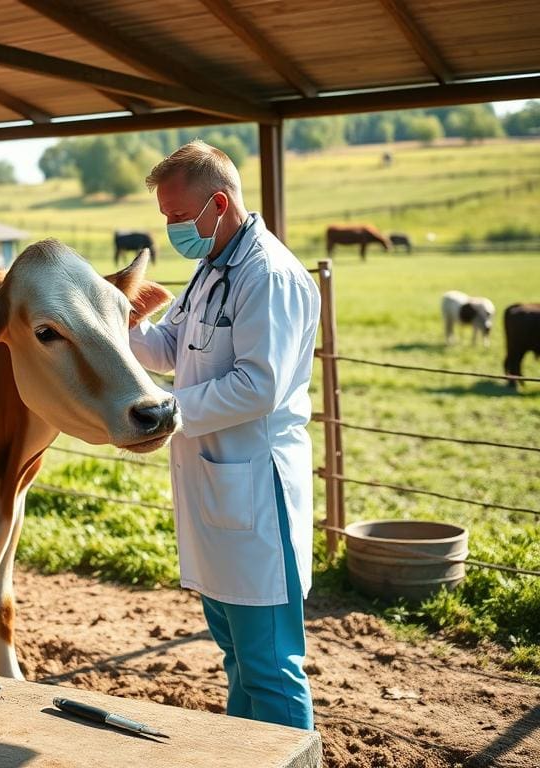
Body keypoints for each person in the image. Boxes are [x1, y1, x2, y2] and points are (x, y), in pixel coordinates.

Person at [129, 140, 319, 730]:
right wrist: (106, 322)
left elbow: (259, 386)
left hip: (256, 499)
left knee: (269, 667)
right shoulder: (211, 269)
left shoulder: (269, 275)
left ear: (218, 202)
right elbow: (167, 347)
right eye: (165, 218)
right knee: (237, 660)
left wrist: (169, 410)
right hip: (216, 496)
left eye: (178, 217)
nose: (172, 230)